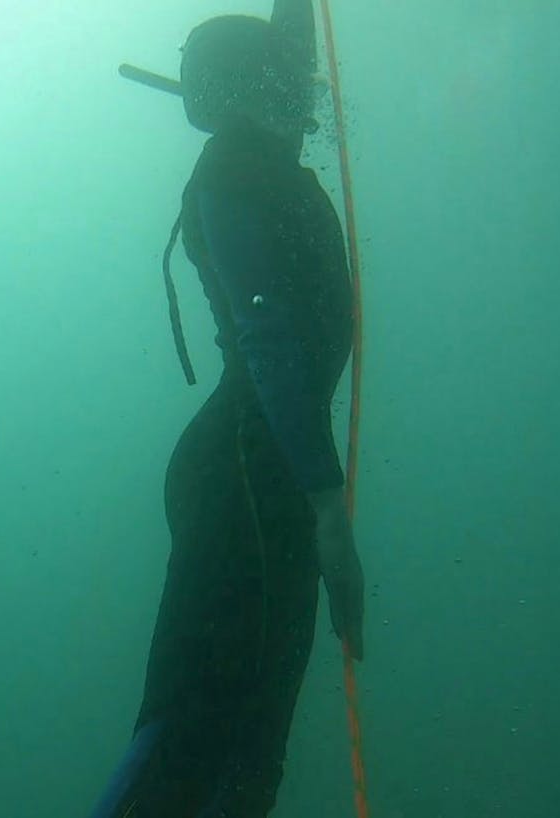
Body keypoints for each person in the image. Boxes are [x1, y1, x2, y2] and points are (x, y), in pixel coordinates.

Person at [90, 2, 364, 815]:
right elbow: (269, 338)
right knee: (195, 728)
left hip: (262, 470)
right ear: (256, 86)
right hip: (250, 471)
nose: (310, 93)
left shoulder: (261, 155)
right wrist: (330, 515)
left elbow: (286, 48)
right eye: (291, 79)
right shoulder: (240, 170)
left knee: (251, 746)